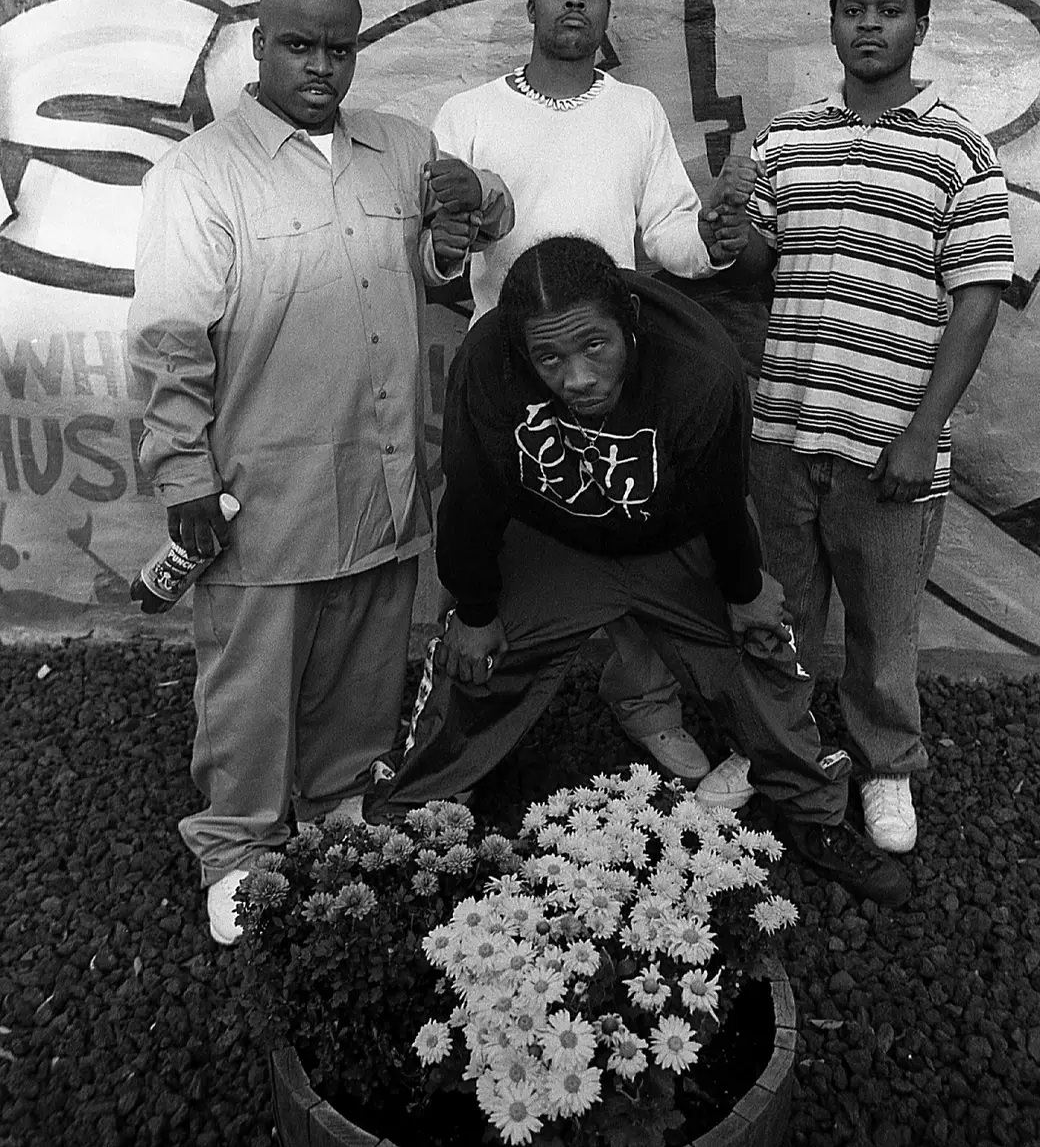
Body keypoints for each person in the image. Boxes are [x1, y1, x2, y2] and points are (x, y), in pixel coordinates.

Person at [127, 0, 511, 945]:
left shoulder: (402, 148)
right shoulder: (200, 174)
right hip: (265, 484)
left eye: (339, 47)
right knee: (250, 686)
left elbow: (460, 244)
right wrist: (183, 479)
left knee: (366, 661)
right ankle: (236, 848)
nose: (321, 65)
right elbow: (171, 338)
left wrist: (473, 204)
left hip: (381, 475)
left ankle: (336, 805)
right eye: (299, 45)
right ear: (258, 44)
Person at [365, 236, 913, 909]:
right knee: (473, 656)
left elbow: (720, 495)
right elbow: (473, 493)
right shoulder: (487, 361)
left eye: (594, 346)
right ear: (520, 347)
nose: (576, 378)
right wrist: (475, 609)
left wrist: (743, 590)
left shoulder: (699, 366)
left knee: (760, 654)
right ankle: (418, 801)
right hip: (555, 539)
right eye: (550, 358)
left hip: (671, 544)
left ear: (628, 319)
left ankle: (815, 811)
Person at [432, 0, 751, 793]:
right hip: (510, 383)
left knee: (632, 543)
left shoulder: (636, 111)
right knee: (489, 551)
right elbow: (441, 253)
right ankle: (473, 747)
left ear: (607, 11)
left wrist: (714, 242)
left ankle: (647, 706)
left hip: (612, 383)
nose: (575, 3)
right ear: (530, 6)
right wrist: (445, 244)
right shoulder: (467, 112)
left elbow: (671, 235)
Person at [718, 0, 1014, 853]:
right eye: (854, 9)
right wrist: (733, 232)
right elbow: (761, 269)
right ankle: (772, 748)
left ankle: (887, 767)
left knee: (884, 624)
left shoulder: (960, 147)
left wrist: (924, 431)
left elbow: (978, 295)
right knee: (783, 609)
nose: (870, 24)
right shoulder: (786, 139)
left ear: (921, 27)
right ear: (833, 22)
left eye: (889, 11)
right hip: (783, 426)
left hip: (890, 437)